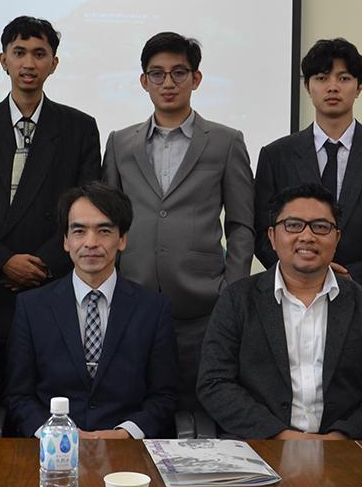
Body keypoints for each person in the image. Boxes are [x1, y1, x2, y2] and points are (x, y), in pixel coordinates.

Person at [0, 15, 101, 394]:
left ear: (54, 63)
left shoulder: (79, 128)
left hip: (53, 282)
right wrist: (2, 263)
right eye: (19, 52)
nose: (29, 63)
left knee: (51, 394)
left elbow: (87, 209)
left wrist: (43, 264)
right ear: (3, 60)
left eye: (39, 54)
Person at [100, 32, 252, 410]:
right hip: (132, 300)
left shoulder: (226, 141)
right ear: (144, 81)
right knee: (134, 407)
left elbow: (241, 224)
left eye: (179, 73)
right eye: (157, 74)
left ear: (195, 79)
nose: (168, 83)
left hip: (202, 305)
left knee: (199, 409)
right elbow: (108, 222)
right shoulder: (120, 143)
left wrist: (230, 289)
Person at [198, 183, 362, 440]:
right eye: (293, 225)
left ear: (337, 238)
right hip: (260, 445)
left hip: (345, 449)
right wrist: (282, 436)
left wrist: (338, 438)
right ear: (272, 237)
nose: (307, 236)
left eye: (321, 227)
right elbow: (215, 383)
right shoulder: (237, 300)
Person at [253, 38, 362, 317]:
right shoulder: (276, 155)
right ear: (308, 87)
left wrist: (353, 276)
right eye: (321, 78)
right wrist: (302, 274)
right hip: (293, 296)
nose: (332, 87)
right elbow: (261, 232)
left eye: (344, 78)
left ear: (359, 87)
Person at [6, 183, 178, 439]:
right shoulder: (32, 307)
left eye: (104, 231)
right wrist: (56, 435)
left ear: (122, 239)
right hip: (51, 449)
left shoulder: (154, 309)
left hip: (127, 448)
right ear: (66, 241)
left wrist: (124, 434)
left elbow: (164, 396)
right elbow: (18, 396)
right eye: (79, 231)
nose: (91, 243)